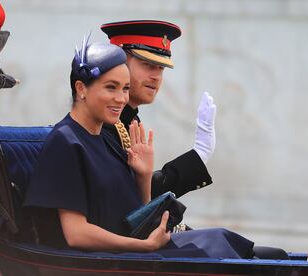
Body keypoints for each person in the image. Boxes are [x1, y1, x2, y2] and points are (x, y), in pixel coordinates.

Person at [23, 37, 256, 258]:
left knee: (234, 245)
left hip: (131, 254)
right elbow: (76, 234)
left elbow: (136, 215)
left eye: (125, 88)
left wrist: (143, 176)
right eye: (111, 87)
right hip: (108, 261)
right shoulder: (66, 141)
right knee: (228, 251)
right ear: (81, 88)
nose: (121, 99)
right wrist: (144, 246)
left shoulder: (105, 138)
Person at [100, 20, 215, 199]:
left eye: (161, 67)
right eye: (147, 64)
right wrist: (198, 155)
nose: (156, 76)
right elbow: (127, 199)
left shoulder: (128, 119)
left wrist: (198, 155)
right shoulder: (104, 121)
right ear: (118, 63)